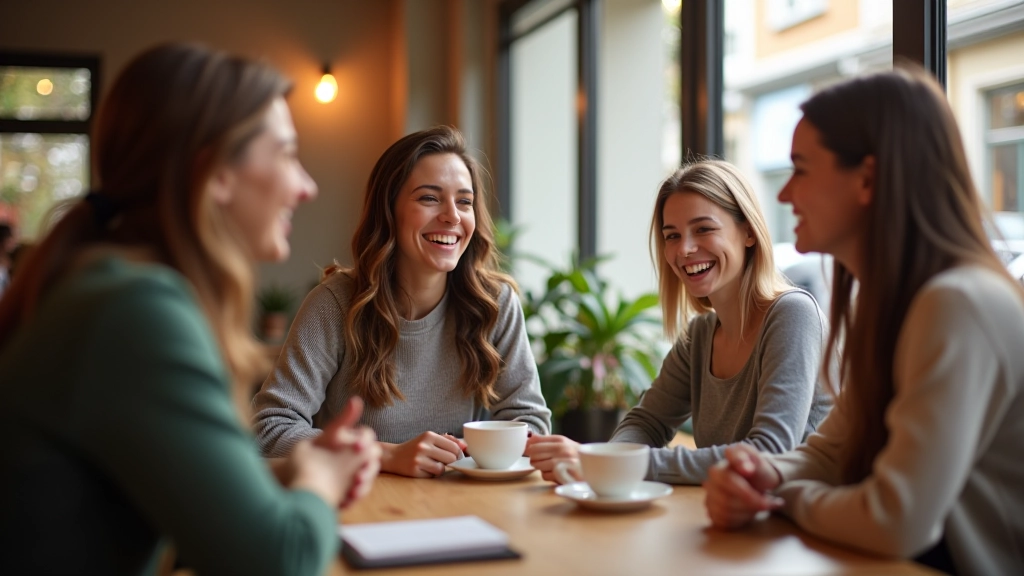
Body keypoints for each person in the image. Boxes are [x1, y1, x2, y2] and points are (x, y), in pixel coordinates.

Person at [0, 43, 380, 575]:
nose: (306, 186)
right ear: (217, 175)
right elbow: (279, 562)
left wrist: (293, 469)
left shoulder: (108, 288)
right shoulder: (135, 312)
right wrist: (321, 481)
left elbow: (164, 488)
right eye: (288, 155)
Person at [703, 66, 1024, 576]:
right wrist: (762, 473)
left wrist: (779, 499)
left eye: (801, 169)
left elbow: (895, 519)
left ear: (868, 178)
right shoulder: (898, 304)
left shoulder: (959, 305)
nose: (785, 196)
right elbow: (832, 453)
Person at [253, 125, 551, 478]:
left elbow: (530, 421)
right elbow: (269, 429)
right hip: (362, 508)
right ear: (389, 210)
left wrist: (468, 452)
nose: (452, 216)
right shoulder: (334, 304)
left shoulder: (496, 304)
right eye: (429, 198)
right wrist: (385, 456)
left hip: (463, 508)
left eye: (465, 201)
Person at [526, 160, 833, 485]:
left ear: (748, 232)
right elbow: (647, 422)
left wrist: (612, 463)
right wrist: (607, 465)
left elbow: (768, 453)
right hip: (733, 516)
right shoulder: (700, 336)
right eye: (672, 235)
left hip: (799, 526)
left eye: (703, 229)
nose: (684, 249)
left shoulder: (793, 314)